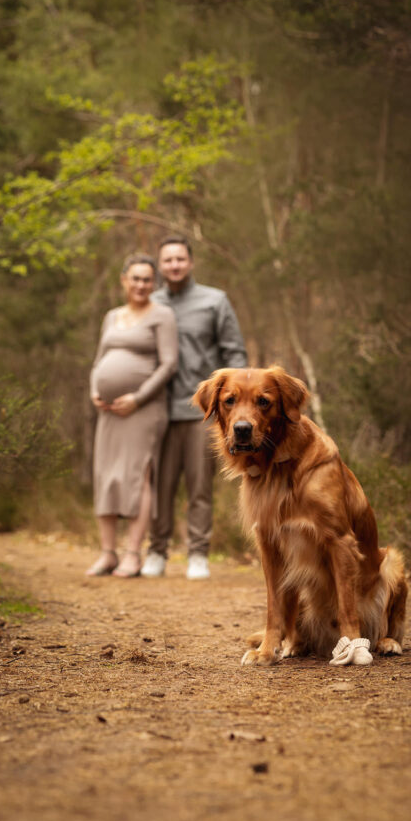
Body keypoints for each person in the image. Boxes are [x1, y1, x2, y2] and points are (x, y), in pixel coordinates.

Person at [141, 236, 247, 580]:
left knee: (200, 488)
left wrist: (235, 407)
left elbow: (234, 355)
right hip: (156, 411)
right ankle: (156, 551)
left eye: (180, 259)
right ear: (160, 265)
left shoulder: (215, 301)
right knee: (159, 487)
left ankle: (198, 554)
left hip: (202, 414)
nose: (174, 265)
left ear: (191, 262)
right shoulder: (150, 302)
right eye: (167, 259)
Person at [86, 253, 178, 578]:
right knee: (105, 475)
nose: (141, 285)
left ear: (154, 284)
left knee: (139, 476)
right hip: (109, 411)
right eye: (135, 278)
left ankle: (131, 554)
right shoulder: (111, 316)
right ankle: (108, 552)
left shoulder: (162, 315)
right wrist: (94, 390)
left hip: (144, 409)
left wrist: (136, 399)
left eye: (147, 280)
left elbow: (169, 364)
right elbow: (99, 360)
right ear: (124, 280)